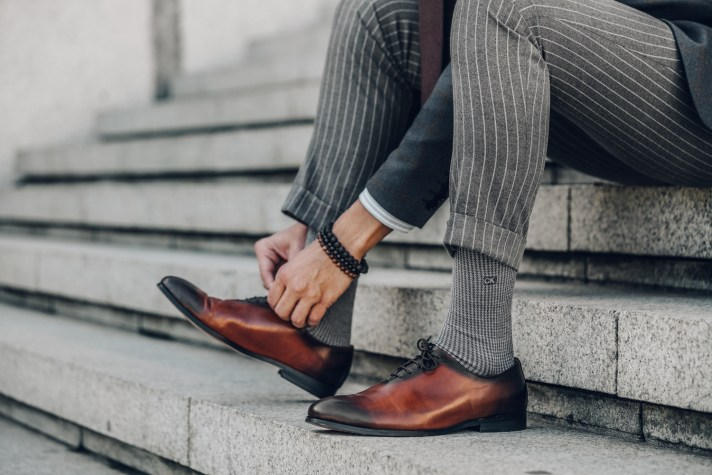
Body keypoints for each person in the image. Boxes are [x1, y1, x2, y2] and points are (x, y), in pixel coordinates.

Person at [158, 0, 712, 436]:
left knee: (502, 6)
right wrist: (314, 231)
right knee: (381, 13)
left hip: (689, 69)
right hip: (599, 62)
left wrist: (346, 240)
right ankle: (313, 323)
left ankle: (477, 356)